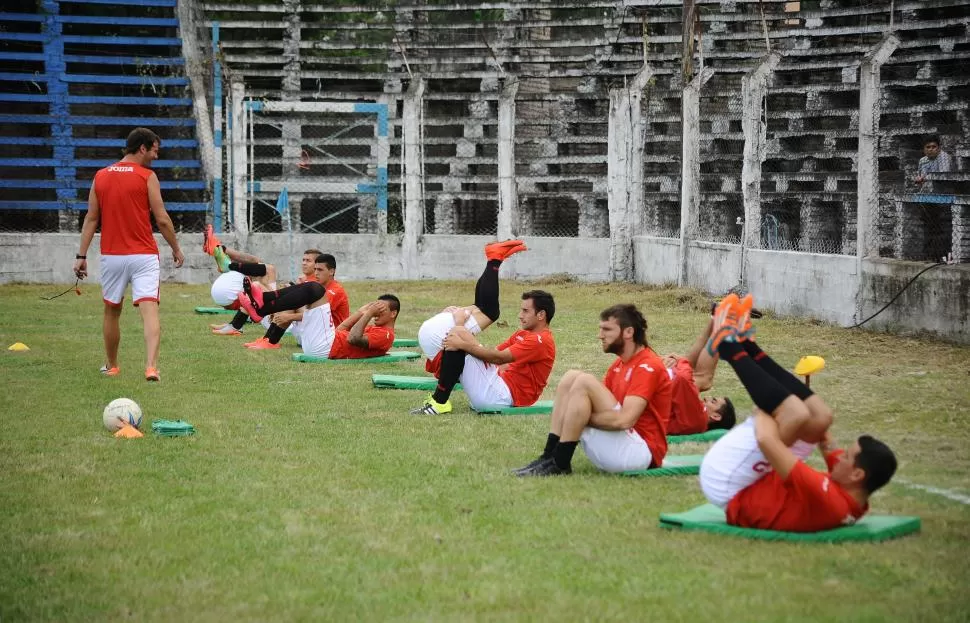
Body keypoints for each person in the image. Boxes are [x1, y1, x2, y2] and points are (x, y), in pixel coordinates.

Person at [698, 294, 897, 532]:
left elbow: (766, 440)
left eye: (846, 457)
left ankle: (728, 345)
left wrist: (769, 406)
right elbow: (824, 435)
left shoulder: (827, 498)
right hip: (753, 481)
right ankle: (748, 345)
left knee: (795, 414)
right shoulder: (854, 499)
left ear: (857, 474)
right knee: (823, 417)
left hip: (726, 484)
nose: (840, 456)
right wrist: (795, 403)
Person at [72, 127, 184, 382]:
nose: (156, 156)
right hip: (144, 255)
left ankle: (112, 366)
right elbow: (162, 219)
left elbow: (91, 219)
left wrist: (81, 255)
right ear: (142, 147)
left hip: (112, 255)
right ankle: (151, 367)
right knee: (150, 310)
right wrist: (176, 248)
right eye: (154, 150)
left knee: (112, 311)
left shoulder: (100, 176)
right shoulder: (147, 176)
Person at [514, 304, 672, 477]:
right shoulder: (618, 366)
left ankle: (560, 463)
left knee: (584, 381)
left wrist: (578, 419)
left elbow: (625, 420)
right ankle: (549, 456)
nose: (600, 335)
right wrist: (576, 416)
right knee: (570, 377)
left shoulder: (648, 365)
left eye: (607, 329)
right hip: (622, 444)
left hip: (642, 454)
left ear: (628, 332)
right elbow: (601, 408)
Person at [409, 240, 557, 415]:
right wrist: (461, 329)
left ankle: (439, 403)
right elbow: (493, 354)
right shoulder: (523, 334)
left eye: (525, 311)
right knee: (468, 328)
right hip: (497, 387)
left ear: (541, 315)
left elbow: (498, 358)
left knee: (466, 332)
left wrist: (461, 332)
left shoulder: (540, 340)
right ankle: (494, 260)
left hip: (500, 397)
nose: (520, 315)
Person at [236, 278, 398, 360]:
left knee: (316, 289)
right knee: (311, 287)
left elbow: (353, 338)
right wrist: (361, 312)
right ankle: (263, 303)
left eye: (381, 308)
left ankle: (262, 307)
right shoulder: (376, 329)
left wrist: (368, 314)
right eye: (376, 306)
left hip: (325, 349)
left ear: (393, 314)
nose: (376, 311)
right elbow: (340, 330)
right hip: (323, 343)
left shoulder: (386, 335)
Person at [242, 253, 349, 350]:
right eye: (315, 269)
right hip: (310, 333)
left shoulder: (335, 290)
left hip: (326, 337)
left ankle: (263, 321)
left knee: (262, 287)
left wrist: (289, 317)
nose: (316, 273)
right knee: (290, 302)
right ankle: (267, 339)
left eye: (320, 270)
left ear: (331, 271)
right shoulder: (314, 285)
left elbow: (318, 315)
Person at [661, 312, 736, 436]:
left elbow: (682, 379)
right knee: (701, 378)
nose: (706, 398)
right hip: (654, 387)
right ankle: (717, 320)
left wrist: (681, 361)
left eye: (713, 401)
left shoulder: (698, 420)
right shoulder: (696, 417)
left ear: (716, 416)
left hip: (650, 386)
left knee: (701, 378)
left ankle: (720, 322)